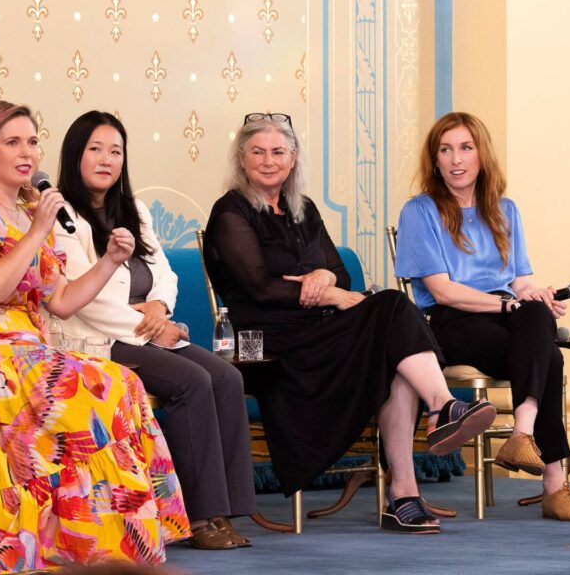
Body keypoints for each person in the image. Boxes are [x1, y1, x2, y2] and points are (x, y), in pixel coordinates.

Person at [0, 101, 189, 573]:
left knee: (121, 384)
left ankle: (100, 545)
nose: (27, 152)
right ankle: (50, 541)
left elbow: (63, 300)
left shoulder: (29, 212)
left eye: (31, 141)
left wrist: (108, 260)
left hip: (27, 355)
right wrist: (39, 230)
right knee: (88, 391)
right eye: (12, 142)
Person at [203, 112, 497, 534]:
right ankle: (443, 408)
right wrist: (331, 292)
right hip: (270, 347)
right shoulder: (231, 211)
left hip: (319, 333)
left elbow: (340, 273)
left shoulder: (302, 209)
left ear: (294, 158)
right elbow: (259, 287)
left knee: (394, 341)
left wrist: (323, 279)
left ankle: (406, 492)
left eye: (278, 152)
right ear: (241, 157)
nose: (268, 161)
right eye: (258, 152)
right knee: (393, 309)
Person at [54, 110, 256, 550]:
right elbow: (86, 298)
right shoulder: (62, 217)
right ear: (75, 155)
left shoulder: (134, 210)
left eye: (116, 151)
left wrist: (161, 307)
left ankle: (228, 508)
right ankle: (199, 518)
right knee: (192, 381)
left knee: (227, 377)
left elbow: (165, 274)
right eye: (95, 149)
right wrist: (149, 329)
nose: (107, 159)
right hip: (99, 341)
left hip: (147, 328)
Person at [394, 111, 570, 521]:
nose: (456, 159)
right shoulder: (420, 210)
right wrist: (511, 304)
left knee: (537, 310)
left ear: (481, 155)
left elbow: (520, 281)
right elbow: (442, 290)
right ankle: (554, 484)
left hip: (505, 316)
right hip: (450, 322)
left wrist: (532, 295)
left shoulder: (505, 209)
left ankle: (522, 432)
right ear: (434, 160)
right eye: (446, 150)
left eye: (466, 148)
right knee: (551, 356)